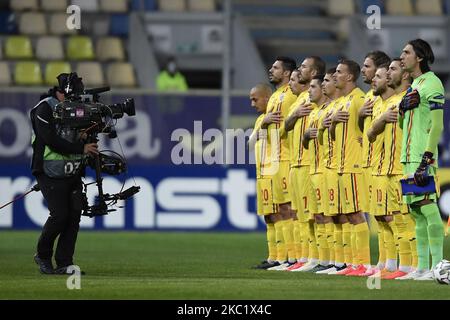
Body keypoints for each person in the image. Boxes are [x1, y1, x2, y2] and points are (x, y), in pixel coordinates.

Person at [30, 72, 98, 275]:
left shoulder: (76, 109)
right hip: (48, 171)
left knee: (73, 217)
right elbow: (50, 139)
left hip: (73, 170)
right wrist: (81, 149)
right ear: (63, 92)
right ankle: (42, 255)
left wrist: (86, 137)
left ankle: (65, 262)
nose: (77, 99)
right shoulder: (44, 108)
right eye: (74, 95)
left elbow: (78, 137)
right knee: (59, 216)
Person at [397, 39, 445, 280]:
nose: (401, 56)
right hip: (407, 157)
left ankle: (439, 267)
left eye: (406, 52)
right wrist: (401, 110)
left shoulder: (433, 83)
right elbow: (403, 125)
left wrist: (426, 159)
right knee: (415, 210)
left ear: (419, 57)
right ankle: (422, 267)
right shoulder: (414, 84)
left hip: (420, 157)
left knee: (427, 207)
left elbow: (437, 125)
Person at [330, 60, 371, 276]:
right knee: (346, 215)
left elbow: (367, 130)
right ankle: (352, 263)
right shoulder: (342, 102)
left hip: (354, 165)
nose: (335, 75)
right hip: (341, 166)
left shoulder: (358, 99)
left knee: (356, 214)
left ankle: (363, 264)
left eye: (339, 72)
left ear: (349, 77)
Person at [248, 83, 280, 270]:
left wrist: (268, 122)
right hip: (262, 173)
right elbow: (250, 144)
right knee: (269, 216)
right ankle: (273, 257)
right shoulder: (262, 118)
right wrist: (264, 123)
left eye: (255, 99)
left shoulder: (278, 116)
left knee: (281, 214)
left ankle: (287, 257)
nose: (252, 103)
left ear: (267, 98)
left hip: (276, 171)